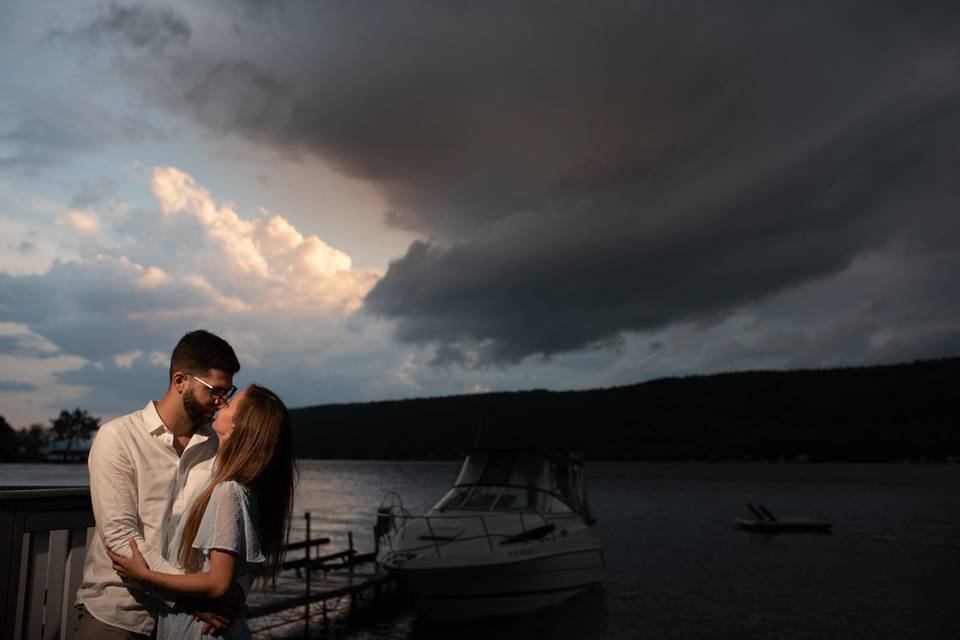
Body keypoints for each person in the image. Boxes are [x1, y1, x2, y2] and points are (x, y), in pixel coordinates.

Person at [75, 330, 242, 639]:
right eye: (214, 390)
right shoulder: (118, 437)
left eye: (227, 392)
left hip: (187, 625)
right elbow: (121, 537)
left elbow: (233, 526)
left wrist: (232, 591)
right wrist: (190, 597)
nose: (220, 402)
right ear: (180, 381)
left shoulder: (217, 446)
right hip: (120, 613)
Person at [108, 384, 296, 640]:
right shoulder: (239, 486)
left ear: (236, 426)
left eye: (230, 404)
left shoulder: (228, 491)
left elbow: (217, 583)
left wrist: (146, 576)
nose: (221, 403)